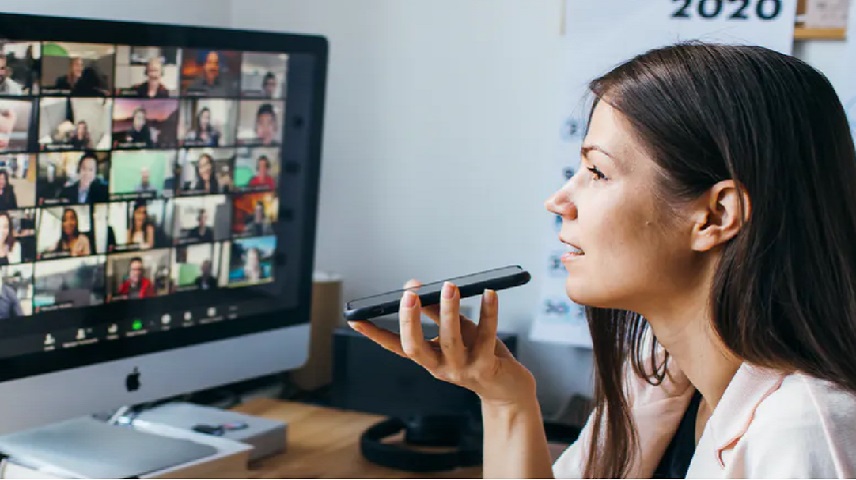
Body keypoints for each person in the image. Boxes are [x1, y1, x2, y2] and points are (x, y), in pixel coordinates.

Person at [349, 42, 856, 478]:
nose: (559, 200)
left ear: (715, 215)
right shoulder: (658, 373)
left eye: (597, 172)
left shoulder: (804, 438)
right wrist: (504, 397)